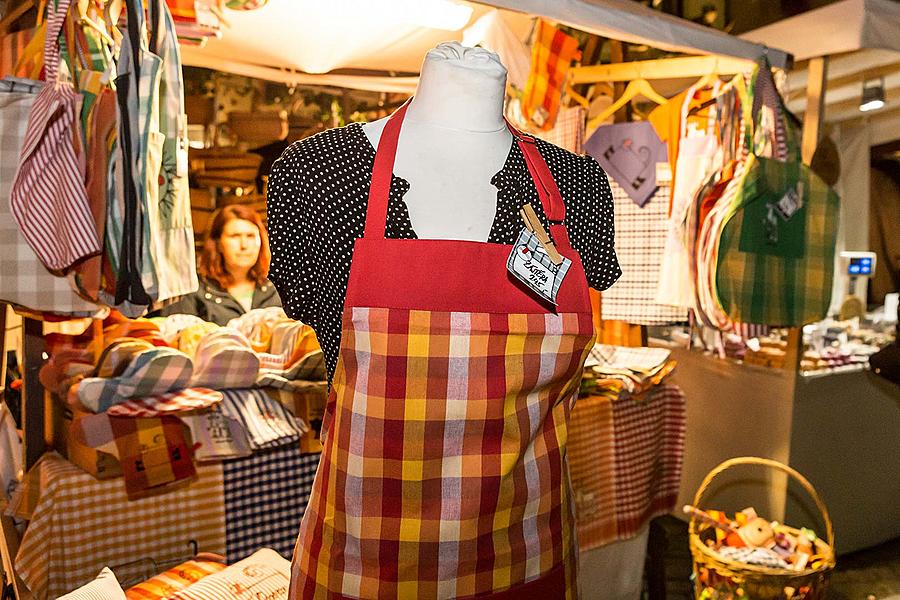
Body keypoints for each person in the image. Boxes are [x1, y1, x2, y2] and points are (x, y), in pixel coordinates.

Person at [162, 204, 281, 325]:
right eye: (235, 236)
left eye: (250, 236)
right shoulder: (192, 290)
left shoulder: (278, 288)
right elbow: (175, 338)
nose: (244, 245)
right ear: (218, 244)